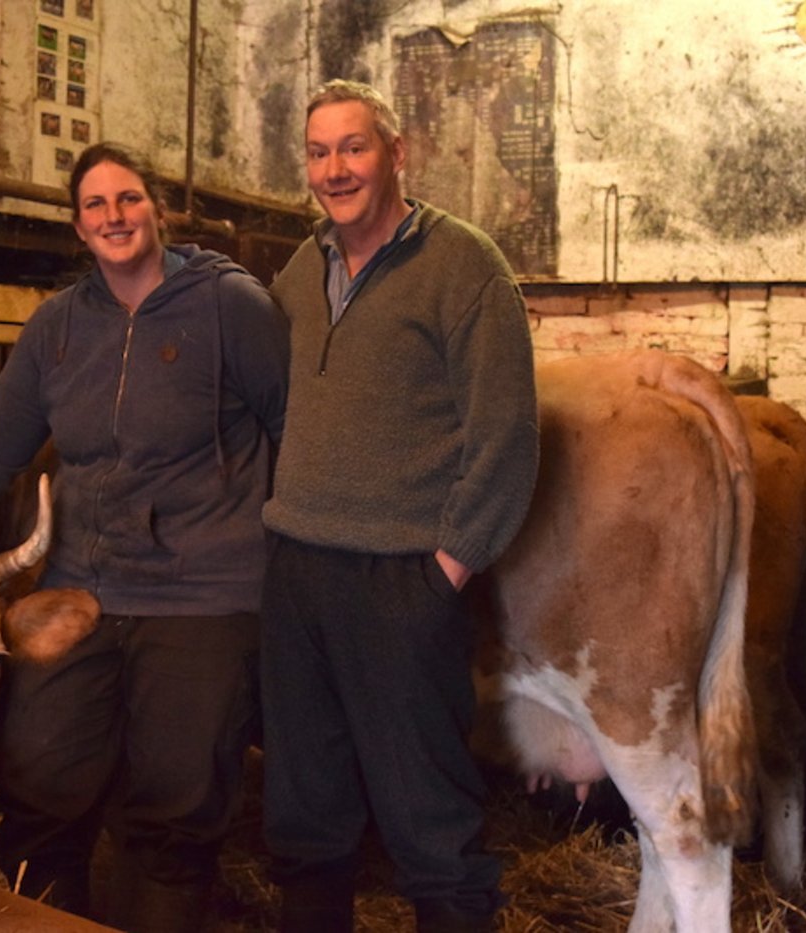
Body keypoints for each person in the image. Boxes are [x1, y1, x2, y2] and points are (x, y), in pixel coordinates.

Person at [0, 141, 289, 932]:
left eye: (129, 199)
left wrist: (292, 564)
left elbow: (292, 431)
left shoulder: (231, 307)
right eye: (96, 205)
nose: (115, 216)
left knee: (177, 793)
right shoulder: (58, 328)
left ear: (158, 210)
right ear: (78, 227)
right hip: (82, 587)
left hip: (205, 592)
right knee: (39, 770)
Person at [259, 80, 540, 933]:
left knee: (431, 821)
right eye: (318, 151)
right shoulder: (299, 273)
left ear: (396, 152)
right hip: (297, 571)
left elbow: (507, 433)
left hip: (400, 579)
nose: (334, 168)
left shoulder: (464, 265)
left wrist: (444, 569)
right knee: (305, 812)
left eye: (353, 147)